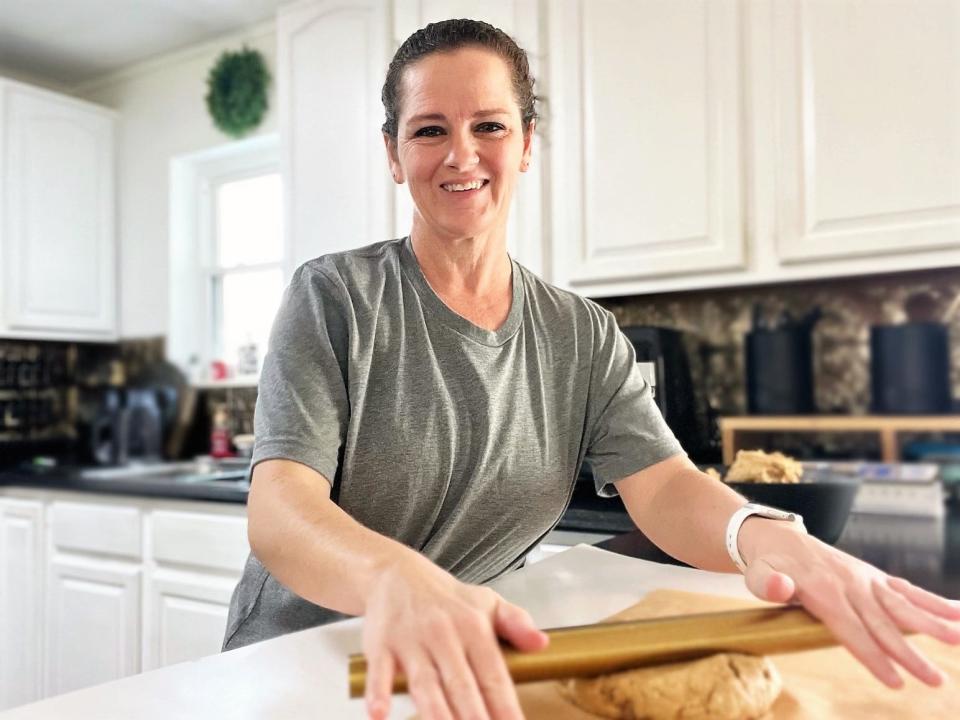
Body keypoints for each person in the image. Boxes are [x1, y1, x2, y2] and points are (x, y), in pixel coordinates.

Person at [223, 18, 960, 720]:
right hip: (304, 665)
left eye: (489, 125)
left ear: (526, 143)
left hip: (465, 665)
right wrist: (396, 580)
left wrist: (773, 538)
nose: (461, 154)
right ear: (393, 154)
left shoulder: (582, 333)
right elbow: (281, 507)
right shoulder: (335, 297)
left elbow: (666, 484)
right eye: (428, 130)